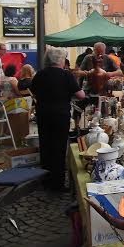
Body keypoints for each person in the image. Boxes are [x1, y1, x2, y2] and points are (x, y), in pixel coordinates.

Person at [31, 47, 85, 191]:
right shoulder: (66, 75)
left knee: (45, 146)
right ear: (60, 60)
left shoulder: (40, 74)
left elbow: (33, 91)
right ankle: (58, 183)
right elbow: (81, 95)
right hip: (60, 115)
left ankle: (46, 179)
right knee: (59, 147)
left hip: (43, 114)